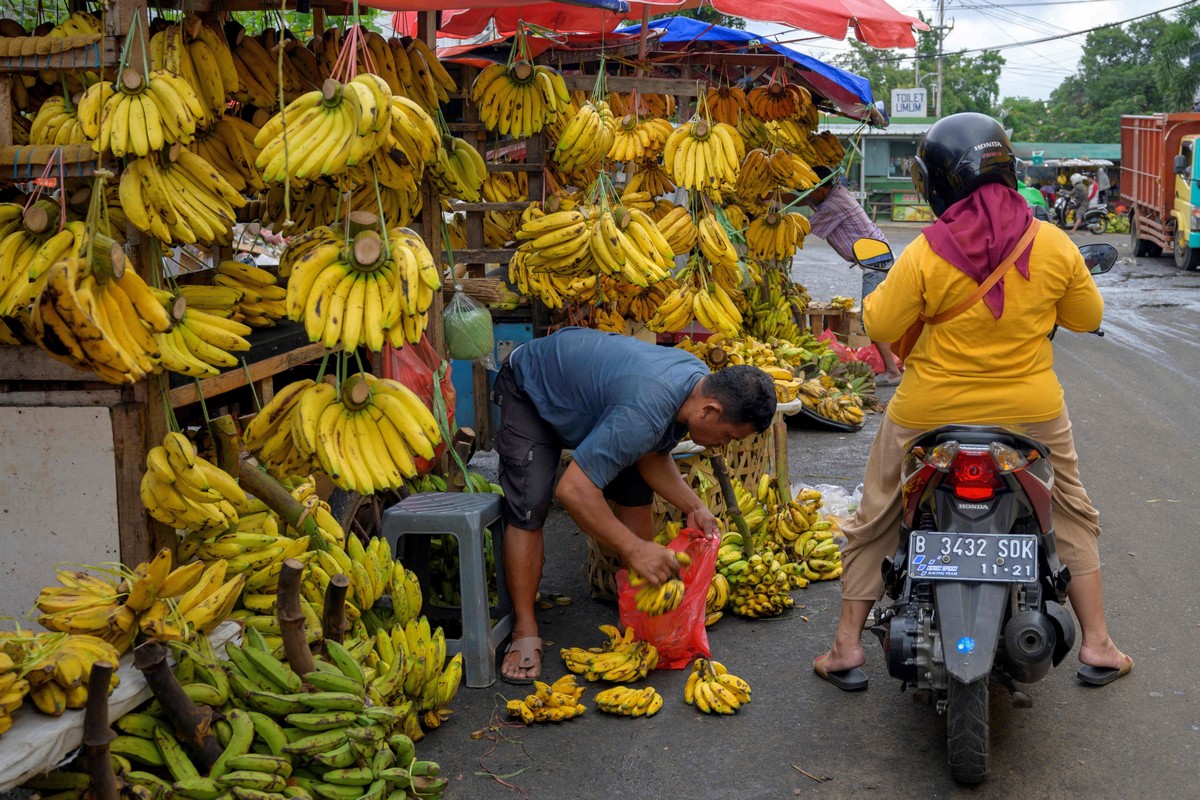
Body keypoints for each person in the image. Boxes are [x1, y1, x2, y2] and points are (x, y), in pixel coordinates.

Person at [812, 112, 1132, 692]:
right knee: (1071, 512)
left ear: (939, 183)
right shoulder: (1054, 243)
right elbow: (1088, 318)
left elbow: (878, 319)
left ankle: (845, 647)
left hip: (929, 413)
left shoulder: (927, 250)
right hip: (1030, 413)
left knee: (876, 515)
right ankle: (1099, 644)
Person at [492, 327, 777, 683]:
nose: (723, 446)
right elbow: (574, 490)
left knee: (634, 489)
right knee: (530, 505)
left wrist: (693, 506)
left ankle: (638, 615)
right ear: (709, 410)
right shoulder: (646, 408)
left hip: (592, 400)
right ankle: (524, 628)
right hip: (530, 389)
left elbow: (651, 456)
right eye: (728, 436)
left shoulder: (694, 386)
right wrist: (636, 549)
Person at [804, 166, 905, 385]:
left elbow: (804, 228)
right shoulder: (831, 195)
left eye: (812, 189)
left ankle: (893, 371)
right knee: (878, 315)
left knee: (871, 318)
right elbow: (805, 199)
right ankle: (895, 364)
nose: (810, 194)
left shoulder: (834, 203)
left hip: (876, 262)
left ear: (823, 188)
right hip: (876, 259)